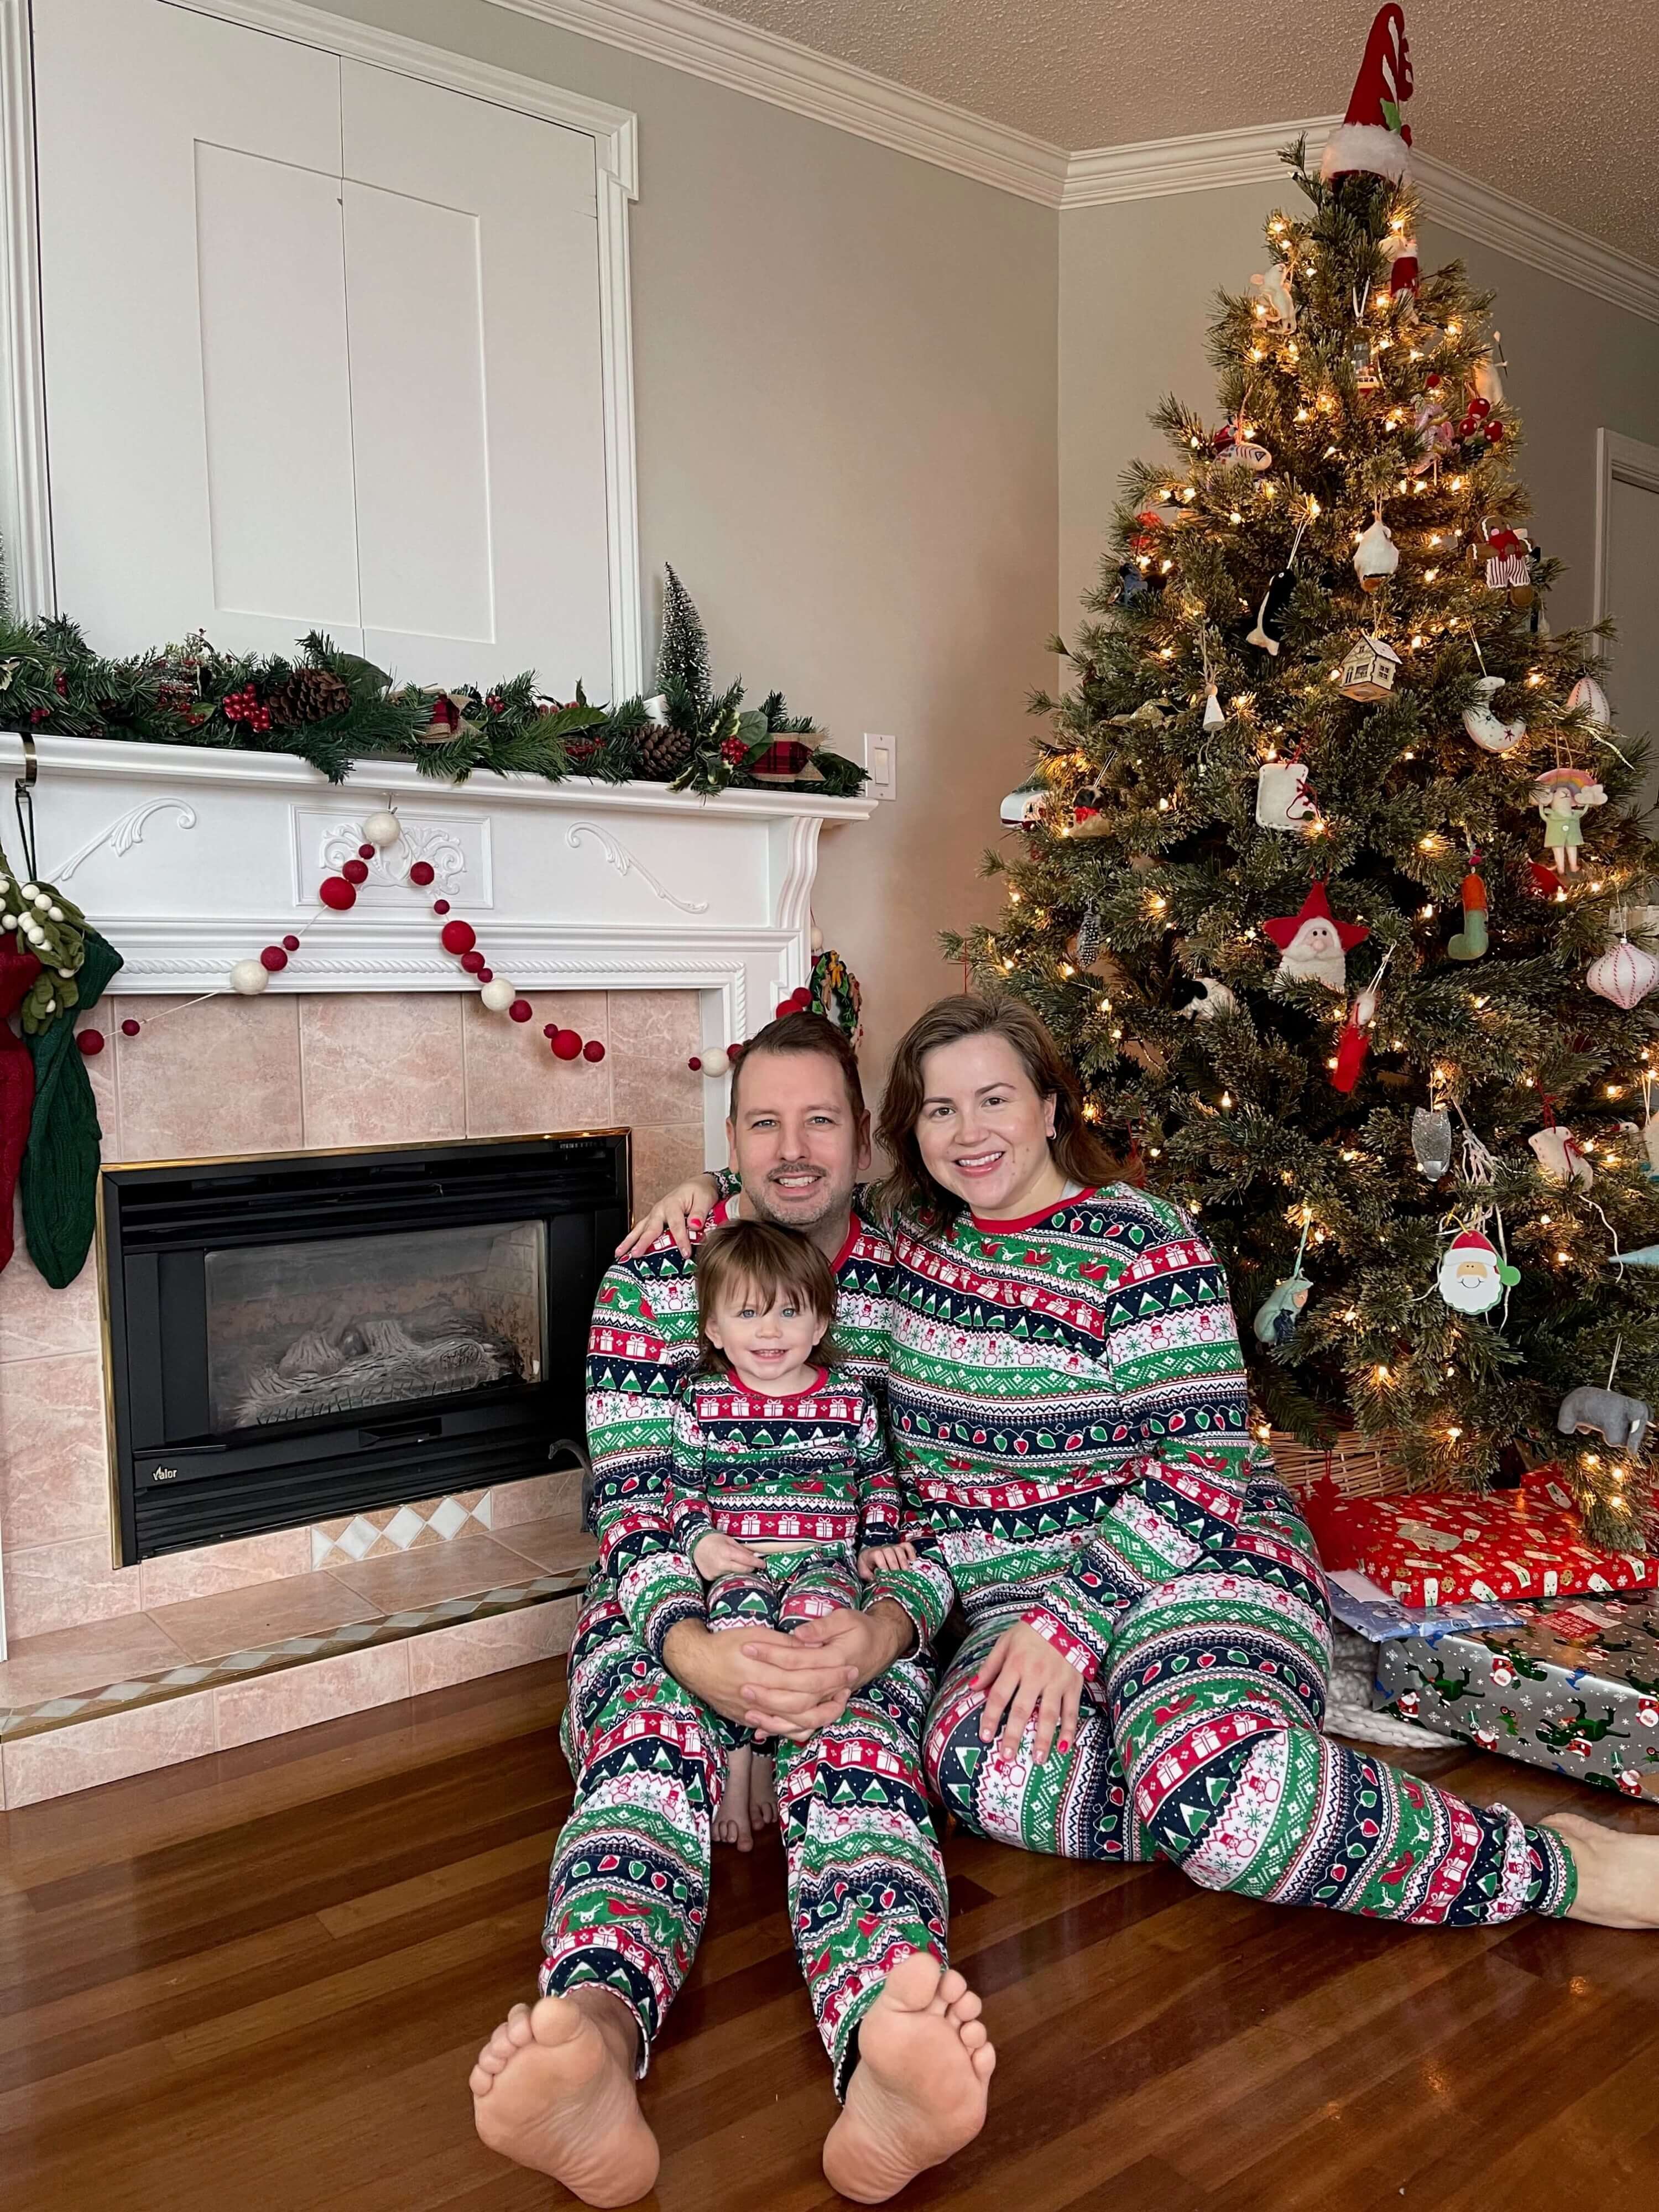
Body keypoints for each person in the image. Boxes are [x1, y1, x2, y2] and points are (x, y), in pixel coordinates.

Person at [625, 993, 1659, 1934]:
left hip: (1192, 1558)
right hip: (997, 1600)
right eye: (940, 1111)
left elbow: (1202, 1464)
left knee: (1200, 1774)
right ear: (911, 1134)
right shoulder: (913, 1244)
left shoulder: (1145, 1245)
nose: (969, 1132)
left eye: (994, 1099)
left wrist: (1073, 1623)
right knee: (969, 1768)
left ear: (1049, 1104)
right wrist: (704, 1186)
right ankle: (1261, 1794)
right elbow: (798, 1172)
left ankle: (1549, 1865)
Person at [469, 1011, 994, 2208]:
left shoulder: (922, 1282)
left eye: (821, 1121)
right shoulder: (658, 1274)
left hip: (844, 1602)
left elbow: (928, 1517)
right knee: (648, 1754)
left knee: (856, 1744)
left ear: (865, 1141)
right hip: (673, 1601)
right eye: (764, 1123)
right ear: (733, 1137)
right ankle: (595, 2035)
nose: (793, 1148)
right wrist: (699, 1659)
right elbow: (633, 1500)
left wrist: (884, 1630)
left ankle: (885, 2047)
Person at [672, 1216, 916, 1849]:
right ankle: (740, 1771)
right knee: (746, 1641)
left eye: (789, 1311)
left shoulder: (847, 1398)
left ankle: (791, 1770)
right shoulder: (703, 1401)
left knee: (809, 1638)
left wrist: (877, 1540)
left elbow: (878, 1477)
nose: (771, 1330)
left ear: (820, 1324)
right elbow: (680, 1491)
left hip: (823, 1559)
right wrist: (701, 1541)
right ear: (714, 1330)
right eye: (749, 1312)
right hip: (742, 1561)